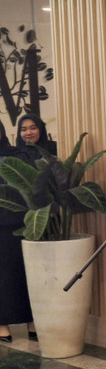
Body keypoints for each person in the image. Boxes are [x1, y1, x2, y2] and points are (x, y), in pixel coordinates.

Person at [0, 122, 37, 343]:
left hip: (21, 223)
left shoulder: (17, 155)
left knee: (25, 275)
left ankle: (32, 323)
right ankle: (2, 325)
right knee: (2, 278)